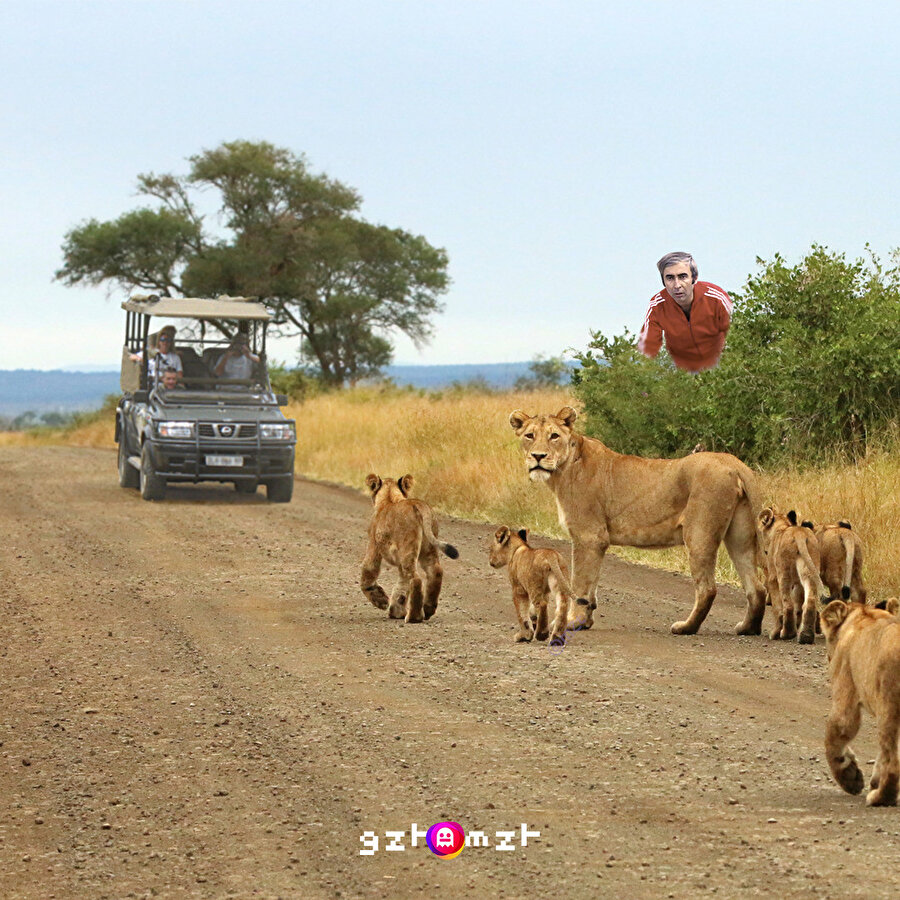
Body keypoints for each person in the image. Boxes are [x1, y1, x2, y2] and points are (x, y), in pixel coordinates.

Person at [637, 252, 732, 372]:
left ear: (694, 278)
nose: (677, 285)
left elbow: (737, 334)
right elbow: (648, 348)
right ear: (663, 281)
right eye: (670, 278)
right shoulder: (656, 306)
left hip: (720, 365)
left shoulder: (716, 298)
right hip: (682, 370)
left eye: (682, 277)